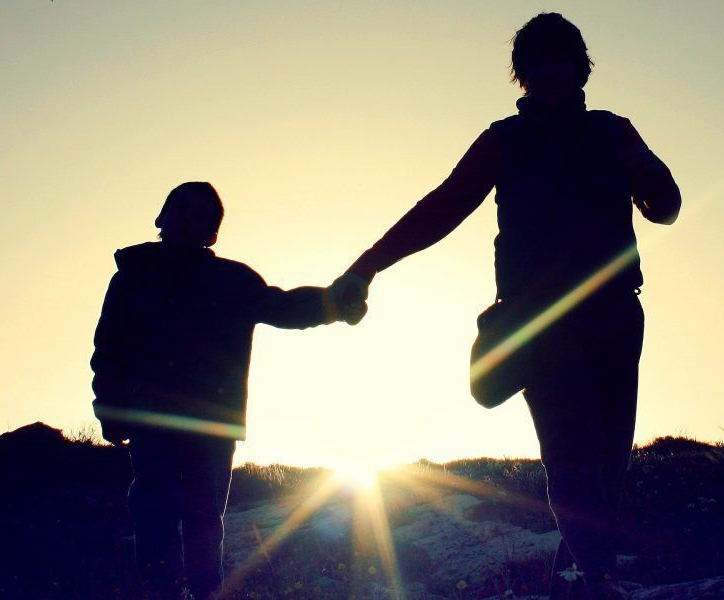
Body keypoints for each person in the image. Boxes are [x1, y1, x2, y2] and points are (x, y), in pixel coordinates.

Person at [332, 12, 680, 600]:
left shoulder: (613, 131)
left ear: (579, 67)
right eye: (533, 61)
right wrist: (367, 265)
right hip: (537, 322)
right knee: (572, 451)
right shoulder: (503, 140)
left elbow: (665, 207)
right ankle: (596, 578)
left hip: (616, 315)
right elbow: (442, 208)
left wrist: (651, 173)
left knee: (608, 458)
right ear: (520, 74)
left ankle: (576, 582)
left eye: (558, 58)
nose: (547, 70)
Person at [91, 182, 363, 599]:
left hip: (213, 424)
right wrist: (109, 407)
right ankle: (158, 592)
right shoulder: (132, 276)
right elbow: (108, 347)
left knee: (204, 519)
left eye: (201, 216)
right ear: (161, 218)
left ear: (213, 234)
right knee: (155, 513)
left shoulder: (232, 281)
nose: (188, 219)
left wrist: (335, 302)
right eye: (180, 210)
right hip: (152, 420)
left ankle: (205, 593)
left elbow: (284, 307)